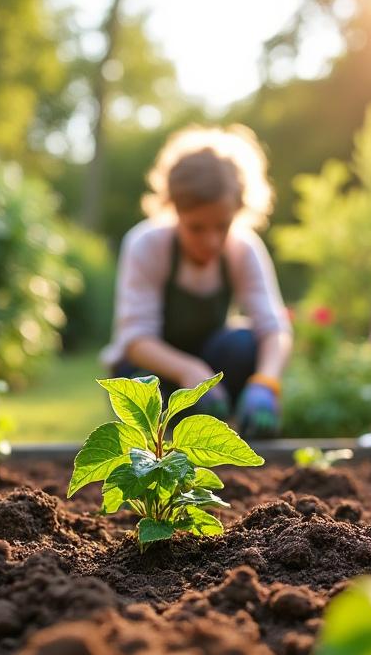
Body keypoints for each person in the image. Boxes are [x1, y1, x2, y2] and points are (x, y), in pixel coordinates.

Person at [101, 125, 293, 438]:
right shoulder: (148, 245)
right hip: (153, 373)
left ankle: (232, 434)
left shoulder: (243, 249)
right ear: (174, 208)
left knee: (243, 344)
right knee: (140, 384)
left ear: (238, 210)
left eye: (223, 225)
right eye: (197, 228)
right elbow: (135, 341)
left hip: (209, 364)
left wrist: (266, 382)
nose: (212, 240)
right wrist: (190, 372)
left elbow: (274, 329)